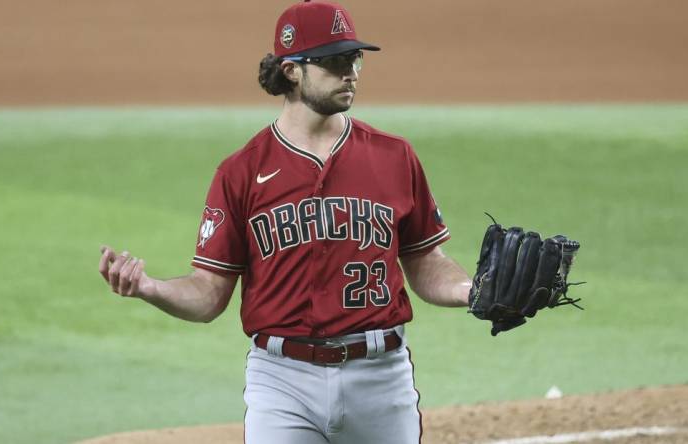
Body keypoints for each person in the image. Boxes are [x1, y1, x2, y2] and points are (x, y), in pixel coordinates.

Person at [98, 1, 472, 443]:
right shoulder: (240, 172)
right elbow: (208, 294)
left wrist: (473, 290)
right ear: (292, 70)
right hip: (282, 381)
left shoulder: (394, 156)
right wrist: (149, 288)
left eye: (355, 58)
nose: (350, 71)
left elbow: (427, 262)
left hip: (380, 378)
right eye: (334, 61)